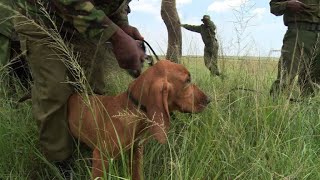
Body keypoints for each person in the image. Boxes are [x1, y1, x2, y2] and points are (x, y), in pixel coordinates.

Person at [14, 0, 145, 176]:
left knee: (93, 89)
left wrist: (121, 27)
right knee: (55, 89)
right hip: (41, 17)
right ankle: (60, 165)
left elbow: (117, 4)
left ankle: (91, 151)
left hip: (84, 25)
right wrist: (116, 36)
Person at [269, 0, 320, 97]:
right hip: (299, 32)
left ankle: (306, 108)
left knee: (315, 81)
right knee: (286, 77)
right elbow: (274, 7)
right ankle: (274, 107)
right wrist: (287, 4)